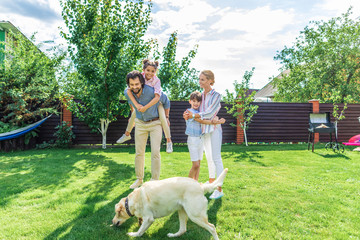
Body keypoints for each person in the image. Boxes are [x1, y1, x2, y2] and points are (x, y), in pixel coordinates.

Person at [124, 70, 170, 189]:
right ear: (129, 85)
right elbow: (131, 104)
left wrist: (167, 117)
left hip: (155, 123)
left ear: (142, 83)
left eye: (137, 84)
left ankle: (154, 180)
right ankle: (139, 179)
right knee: (139, 153)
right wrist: (132, 117)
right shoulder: (127, 92)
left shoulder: (151, 92)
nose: (134, 87)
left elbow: (166, 101)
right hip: (140, 124)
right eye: (132, 85)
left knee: (155, 152)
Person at [184, 70, 225, 199]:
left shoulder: (216, 95)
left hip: (214, 129)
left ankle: (219, 189)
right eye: (199, 79)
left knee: (216, 158)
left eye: (202, 79)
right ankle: (212, 182)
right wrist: (188, 115)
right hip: (204, 130)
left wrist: (195, 116)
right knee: (208, 158)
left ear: (210, 81)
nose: (200, 81)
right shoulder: (201, 95)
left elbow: (208, 112)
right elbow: (195, 109)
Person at [116, 59, 173, 153]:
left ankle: (169, 141)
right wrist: (134, 111)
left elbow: (158, 98)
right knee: (134, 114)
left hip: (157, 103)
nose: (150, 73)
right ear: (143, 70)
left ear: (155, 71)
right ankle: (127, 134)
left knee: (163, 119)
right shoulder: (139, 77)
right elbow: (129, 93)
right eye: (148, 70)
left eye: (153, 71)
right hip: (142, 104)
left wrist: (167, 116)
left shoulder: (156, 81)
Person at [185, 91, 225, 181]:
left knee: (198, 164)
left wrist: (216, 118)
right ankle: (187, 184)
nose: (196, 103)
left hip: (200, 139)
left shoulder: (199, 112)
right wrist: (219, 122)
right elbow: (202, 121)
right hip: (193, 140)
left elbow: (208, 115)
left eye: (198, 101)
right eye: (194, 101)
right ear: (190, 101)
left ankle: (195, 183)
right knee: (195, 165)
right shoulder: (189, 112)